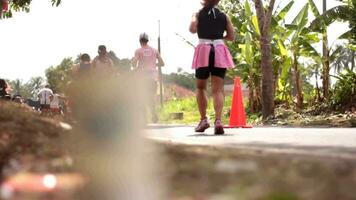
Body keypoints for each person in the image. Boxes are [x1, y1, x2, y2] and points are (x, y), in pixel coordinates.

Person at [189, 0, 235, 135]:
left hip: (204, 49)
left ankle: (203, 120)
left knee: (201, 87)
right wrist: (219, 38)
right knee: (217, 89)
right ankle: (219, 121)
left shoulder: (197, 14)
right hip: (219, 50)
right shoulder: (224, 16)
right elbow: (232, 36)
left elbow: (192, 29)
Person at [132, 32, 165, 123]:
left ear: (140, 41)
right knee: (151, 97)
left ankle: (144, 118)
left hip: (142, 78)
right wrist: (154, 64)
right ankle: (153, 114)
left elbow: (134, 63)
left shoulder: (138, 51)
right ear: (147, 40)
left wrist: (134, 62)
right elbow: (162, 63)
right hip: (153, 78)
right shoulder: (155, 50)